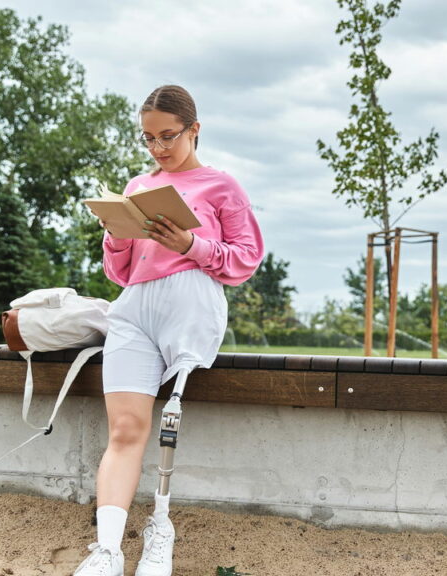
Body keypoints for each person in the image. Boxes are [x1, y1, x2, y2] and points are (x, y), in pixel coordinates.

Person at [74, 85, 264, 576]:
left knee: (168, 425)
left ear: (194, 130)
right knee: (125, 429)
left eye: (168, 136)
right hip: (135, 308)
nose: (158, 148)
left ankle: (161, 532)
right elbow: (120, 274)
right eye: (148, 138)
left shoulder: (223, 187)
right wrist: (115, 237)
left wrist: (191, 244)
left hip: (191, 307)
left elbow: (245, 260)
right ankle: (109, 551)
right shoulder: (139, 188)